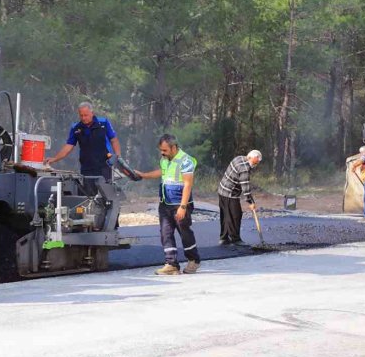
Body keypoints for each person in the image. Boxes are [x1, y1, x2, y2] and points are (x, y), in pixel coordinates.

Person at [135, 134, 201, 275]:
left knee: (185, 233)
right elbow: (162, 172)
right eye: (161, 150)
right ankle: (171, 264)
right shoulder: (165, 160)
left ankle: (193, 260)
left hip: (180, 204)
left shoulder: (186, 161)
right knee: (166, 233)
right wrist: (144, 175)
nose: (162, 153)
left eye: (164, 150)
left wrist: (183, 207)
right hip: (165, 203)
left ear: (174, 147)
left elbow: (188, 184)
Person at [45, 102, 121, 194]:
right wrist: (55, 159)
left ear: (92, 113)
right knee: (89, 195)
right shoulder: (76, 128)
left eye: (86, 115)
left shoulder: (104, 122)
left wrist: (117, 157)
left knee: (106, 194)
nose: (84, 118)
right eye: (81, 115)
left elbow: (114, 140)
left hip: (105, 165)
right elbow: (69, 146)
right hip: (87, 167)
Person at [217, 150, 263, 247]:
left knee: (225, 215)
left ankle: (223, 238)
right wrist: (251, 202)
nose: (255, 165)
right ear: (250, 157)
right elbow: (245, 188)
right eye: (255, 162)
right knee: (236, 215)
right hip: (230, 193)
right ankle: (235, 239)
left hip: (222, 190)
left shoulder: (239, 158)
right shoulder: (245, 169)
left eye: (257, 163)